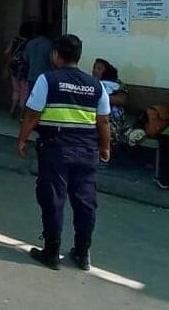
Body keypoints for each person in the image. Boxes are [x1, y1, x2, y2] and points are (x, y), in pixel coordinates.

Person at [17, 34, 111, 271]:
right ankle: (82, 253)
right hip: (86, 151)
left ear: (56, 54)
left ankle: (51, 251)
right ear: (78, 57)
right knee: (85, 203)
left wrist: (22, 139)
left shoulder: (47, 80)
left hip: (55, 149)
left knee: (53, 199)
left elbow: (32, 114)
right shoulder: (96, 85)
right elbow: (103, 121)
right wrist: (105, 147)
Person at [92, 58, 128, 147]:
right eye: (94, 68)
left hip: (111, 118)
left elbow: (121, 100)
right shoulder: (91, 83)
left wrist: (101, 97)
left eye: (99, 69)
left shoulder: (118, 85)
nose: (94, 71)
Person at [5, 22, 34, 119]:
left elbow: (7, 52)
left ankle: (12, 110)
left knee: (16, 90)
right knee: (24, 91)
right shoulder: (30, 42)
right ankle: (22, 113)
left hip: (14, 67)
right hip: (25, 69)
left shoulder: (15, 40)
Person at [24, 23, 54, 98]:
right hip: (45, 76)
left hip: (32, 75)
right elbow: (53, 60)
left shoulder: (30, 43)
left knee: (32, 98)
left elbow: (25, 58)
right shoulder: (49, 44)